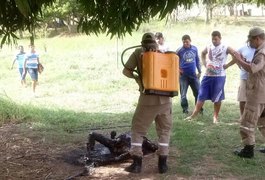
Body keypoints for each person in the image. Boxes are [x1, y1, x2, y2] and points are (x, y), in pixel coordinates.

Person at [122, 32, 173, 174]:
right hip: (165, 99)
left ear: (142, 42)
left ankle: (137, 164)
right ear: (155, 42)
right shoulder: (163, 52)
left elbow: (126, 71)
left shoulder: (138, 52)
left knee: (138, 130)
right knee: (164, 131)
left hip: (147, 99)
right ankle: (163, 164)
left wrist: (138, 78)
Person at [185, 31, 236, 123]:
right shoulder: (209, 46)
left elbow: (236, 55)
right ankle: (193, 115)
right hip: (207, 75)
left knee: (217, 98)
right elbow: (202, 53)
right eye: (212, 39)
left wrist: (228, 65)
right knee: (201, 95)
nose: (214, 41)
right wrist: (204, 63)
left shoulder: (225, 47)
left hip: (219, 76)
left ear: (220, 38)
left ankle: (215, 117)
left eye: (216, 39)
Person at [232, 27, 265, 158]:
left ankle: (248, 149)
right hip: (262, 92)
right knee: (263, 121)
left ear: (257, 39)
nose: (249, 43)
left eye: (250, 40)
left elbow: (253, 68)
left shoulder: (261, 53)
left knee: (248, 122)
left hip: (257, 93)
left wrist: (239, 59)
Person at [86, 131, 158, 167]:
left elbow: (153, 147)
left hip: (123, 145)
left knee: (119, 157)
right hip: (118, 143)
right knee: (118, 154)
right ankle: (91, 151)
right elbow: (92, 134)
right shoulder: (114, 144)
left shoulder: (139, 140)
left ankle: (95, 157)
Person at [224, 44, 255, 117]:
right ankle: (242, 116)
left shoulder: (261, 49)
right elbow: (235, 54)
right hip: (244, 77)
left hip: (257, 78)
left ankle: (255, 117)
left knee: (256, 99)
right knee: (242, 98)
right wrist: (239, 65)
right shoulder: (243, 48)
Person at [177, 34, 202, 114]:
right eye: (184, 42)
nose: (185, 44)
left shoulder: (194, 49)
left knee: (198, 92)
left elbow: (197, 60)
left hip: (193, 75)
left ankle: (199, 109)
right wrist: (178, 70)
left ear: (190, 41)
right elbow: (174, 62)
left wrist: (199, 71)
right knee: (183, 94)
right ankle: (185, 109)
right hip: (183, 76)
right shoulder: (179, 50)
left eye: (187, 42)